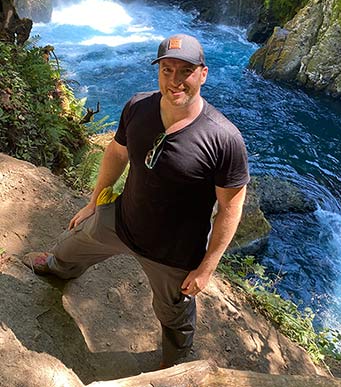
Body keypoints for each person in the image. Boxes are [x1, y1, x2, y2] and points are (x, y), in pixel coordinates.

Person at [23, 33, 250, 368]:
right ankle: (57, 268)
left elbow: (231, 207)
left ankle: (176, 364)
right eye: (167, 70)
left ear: (203, 73)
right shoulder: (138, 107)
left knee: (174, 316)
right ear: (158, 72)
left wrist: (206, 267)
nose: (175, 81)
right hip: (121, 221)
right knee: (70, 247)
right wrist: (94, 202)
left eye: (185, 71)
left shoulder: (224, 139)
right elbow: (117, 153)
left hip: (172, 254)